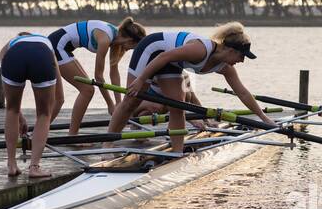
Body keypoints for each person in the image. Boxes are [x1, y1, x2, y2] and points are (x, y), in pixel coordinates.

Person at [108, 22, 271, 153]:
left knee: (177, 106)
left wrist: (265, 119)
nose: (242, 61)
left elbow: (242, 93)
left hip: (170, 61)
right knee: (131, 101)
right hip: (152, 50)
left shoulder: (226, 67)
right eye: (241, 56)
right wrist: (141, 79)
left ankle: (177, 152)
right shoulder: (200, 50)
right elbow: (163, 56)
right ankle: (107, 145)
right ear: (229, 49)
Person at [46, 17, 148, 134]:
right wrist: (110, 105)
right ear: (130, 41)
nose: (130, 50)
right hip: (56, 46)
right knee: (87, 90)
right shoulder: (105, 39)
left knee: (67, 97)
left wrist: (119, 104)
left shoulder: (116, 39)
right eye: (133, 48)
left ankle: (42, 131)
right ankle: (72, 135)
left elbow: (114, 73)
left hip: (63, 48)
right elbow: (98, 76)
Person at [0, 31, 59, 178]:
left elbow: (9, 98)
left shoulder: (11, 44)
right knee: (44, 114)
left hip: (14, 57)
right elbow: (59, 96)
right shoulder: (45, 42)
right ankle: (34, 167)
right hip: (41, 56)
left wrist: (20, 116)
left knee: (11, 110)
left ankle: (12, 165)